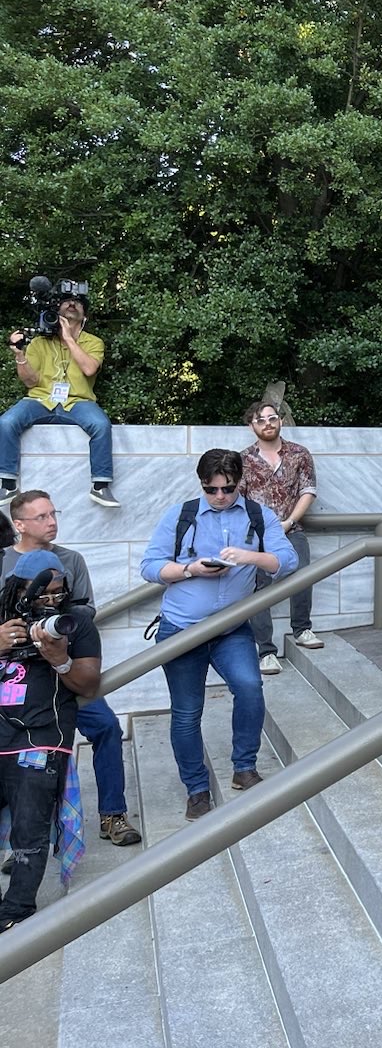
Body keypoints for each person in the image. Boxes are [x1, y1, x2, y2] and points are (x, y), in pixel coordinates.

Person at [140, 449, 298, 820]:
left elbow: (287, 560)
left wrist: (250, 557)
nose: (221, 496)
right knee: (186, 713)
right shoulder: (182, 514)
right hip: (181, 629)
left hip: (231, 628)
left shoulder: (258, 515)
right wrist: (191, 569)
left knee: (249, 686)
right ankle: (196, 789)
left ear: (239, 483)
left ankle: (244, 768)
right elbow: (149, 566)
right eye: (211, 490)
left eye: (227, 488)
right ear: (202, 486)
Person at [1, 491, 140, 847]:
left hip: (64, 669)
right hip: (16, 677)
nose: (52, 522)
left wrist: (57, 645)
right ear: (19, 525)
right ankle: (15, 838)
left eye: (53, 514)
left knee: (107, 726)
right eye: (42, 517)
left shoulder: (71, 560)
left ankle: (113, 815)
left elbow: (83, 615)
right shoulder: (2, 562)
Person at [0, 550, 103, 930]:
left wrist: (59, 658)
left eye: (59, 592)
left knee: (30, 831)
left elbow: (89, 683)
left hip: (40, 740)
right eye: (42, 594)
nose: (52, 600)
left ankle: (15, 910)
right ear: (18, 590)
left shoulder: (75, 624)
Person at [0, 284, 118, 508]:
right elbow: (30, 381)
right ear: (57, 309)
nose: (72, 304)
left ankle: (100, 486)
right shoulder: (39, 342)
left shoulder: (93, 342)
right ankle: (8, 484)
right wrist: (19, 354)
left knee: (101, 425)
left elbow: (89, 369)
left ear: (84, 314)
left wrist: (69, 339)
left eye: (78, 302)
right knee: (7, 422)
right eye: (66, 301)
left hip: (78, 401)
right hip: (41, 400)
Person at [239, 401, 324, 676]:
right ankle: (265, 651)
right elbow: (238, 499)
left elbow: (308, 491)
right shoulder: (242, 460)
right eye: (260, 419)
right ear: (252, 425)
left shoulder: (299, 454)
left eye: (272, 418)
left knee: (302, 575)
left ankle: (302, 629)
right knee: (259, 589)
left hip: (291, 528)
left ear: (281, 421)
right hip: (257, 534)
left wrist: (288, 523)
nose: (267, 423)